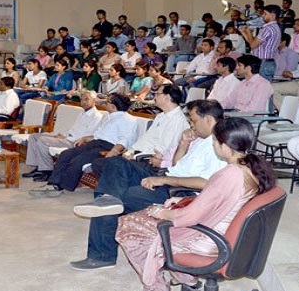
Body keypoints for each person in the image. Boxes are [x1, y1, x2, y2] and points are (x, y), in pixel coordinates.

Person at [114, 117, 276, 291]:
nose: (213, 144)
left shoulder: (229, 174)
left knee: (129, 225)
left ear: (225, 146)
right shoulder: (250, 167)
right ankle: (185, 277)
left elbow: (189, 217)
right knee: (150, 214)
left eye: (215, 141)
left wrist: (162, 213)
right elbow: (221, 200)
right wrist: (184, 200)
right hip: (226, 232)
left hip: (209, 240)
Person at [69, 100, 227, 271]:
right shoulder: (201, 139)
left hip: (179, 193)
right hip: (168, 177)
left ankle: (101, 256)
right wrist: (184, 144)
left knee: (121, 195)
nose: (191, 125)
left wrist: (164, 180)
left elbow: (206, 183)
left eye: (194, 121)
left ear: (208, 119)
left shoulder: (220, 145)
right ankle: (108, 200)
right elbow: (177, 166)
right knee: (115, 164)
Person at [29, 94, 136, 197]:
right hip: (95, 143)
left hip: (107, 147)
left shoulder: (128, 119)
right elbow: (98, 134)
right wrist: (85, 138)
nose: (104, 103)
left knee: (78, 161)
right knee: (66, 154)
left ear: (113, 106)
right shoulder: (108, 117)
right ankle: (52, 183)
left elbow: (125, 140)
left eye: (107, 102)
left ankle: (61, 187)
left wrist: (113, 152)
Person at [89, 85, 189, 180]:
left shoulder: (178, 120)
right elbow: (146, 138)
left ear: (167, 97)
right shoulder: (161, 116)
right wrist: (131, 151)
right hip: (140, 154)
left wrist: (135, 156)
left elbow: (164, 149)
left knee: (108, 165)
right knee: (99, 164)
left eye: (157, 94)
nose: (154, 97)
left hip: (151, 160)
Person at [22, 90, 104, 181]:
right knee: (34, 136)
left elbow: (88, 136)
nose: (83, 102)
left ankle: (47, 171)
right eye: (82, 99)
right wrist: (63, 135)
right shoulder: (82, 113)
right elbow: (74, 129)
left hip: (74, 142)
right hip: (67, 137)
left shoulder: (96, 116)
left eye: (86, 99)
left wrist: (67, 138)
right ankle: (38, 167)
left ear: (94, 100)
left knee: (42, 140)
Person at [240, 4, 281, 81]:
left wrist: (248, 32)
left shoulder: (268, 28)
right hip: (265, 63)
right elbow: (253, 43)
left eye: (265, 14)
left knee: (262, 86)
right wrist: (244, 33)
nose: (262, 16)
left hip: (264, 64)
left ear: (272, 15)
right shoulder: (274, 27)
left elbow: (252, 45)